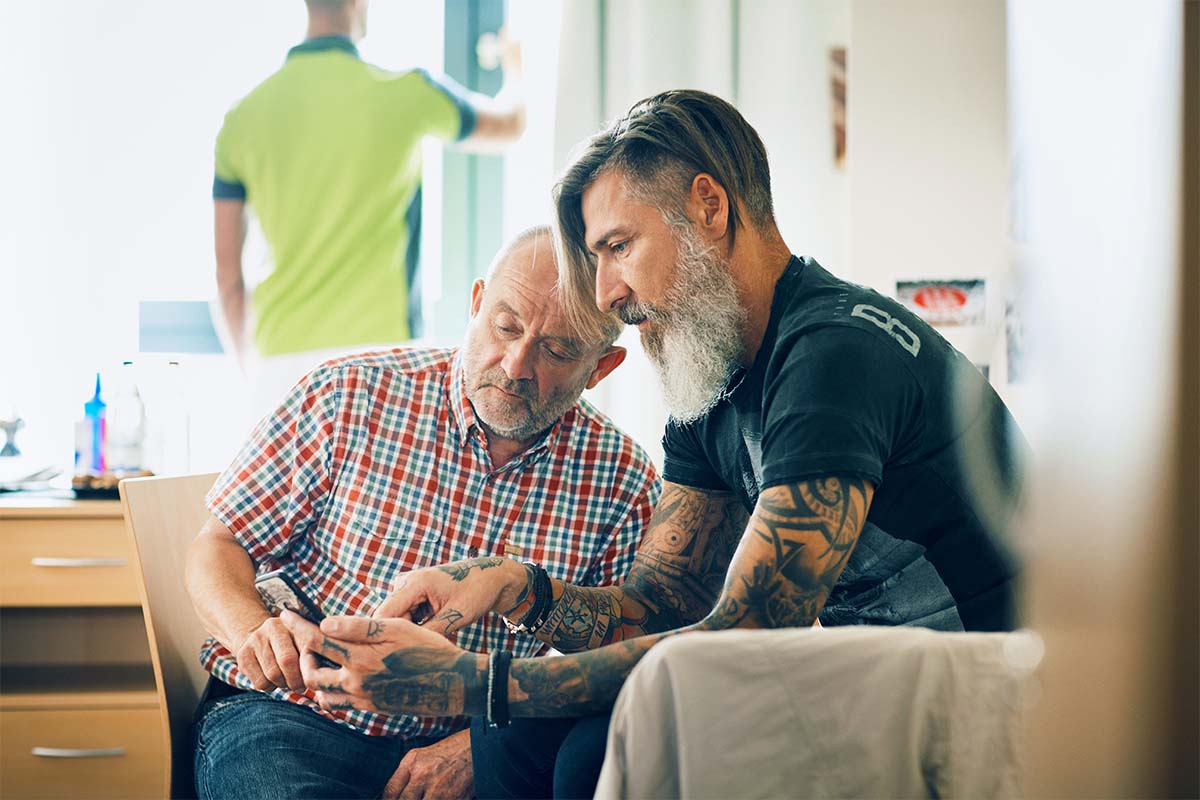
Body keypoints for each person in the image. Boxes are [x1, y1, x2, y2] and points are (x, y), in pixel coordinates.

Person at [281, 90, 1027, 798]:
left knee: (588, 752)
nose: (605, 292)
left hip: (986, 686)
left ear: (709, 207)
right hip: (870, 678)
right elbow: (663, 605)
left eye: (618, 247)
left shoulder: (833, 355)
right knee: (514, 737)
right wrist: (518, 587)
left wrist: (471, 681)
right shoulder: (713, 373)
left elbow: (750, 633)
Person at [184, 226, 660, 800]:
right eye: (505, 326)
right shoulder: (349, 394)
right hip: (294, 717)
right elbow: (218, 546)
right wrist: (252, 632)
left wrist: (475, 748)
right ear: (476, 303)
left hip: (476, 744)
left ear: (602, 367)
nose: (515, 365)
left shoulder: (624, 480)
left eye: (557, 351)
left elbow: (619, 660)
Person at [213, 0, 526, 415]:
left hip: (281, 366)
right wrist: (515, 66)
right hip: (382, 360)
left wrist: (256, 372)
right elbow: (509, 125)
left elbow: (227, 281)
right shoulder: (406, 92)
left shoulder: (243, 117)